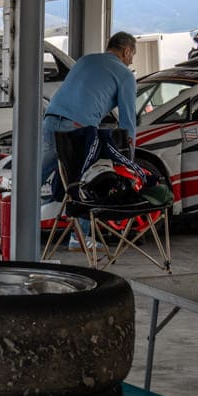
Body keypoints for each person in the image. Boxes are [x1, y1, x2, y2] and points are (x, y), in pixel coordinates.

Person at [41, 31, 138, 251]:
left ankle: (12, 225)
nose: (132, 60)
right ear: (126, 51)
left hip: (50, 120)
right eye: (133, 55)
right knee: (87, 180)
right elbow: (127, 120)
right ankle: (81, 238)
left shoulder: (85, 60)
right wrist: (128, 157)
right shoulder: (124, 74)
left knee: (33, 178)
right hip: (77, 129)